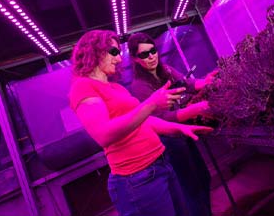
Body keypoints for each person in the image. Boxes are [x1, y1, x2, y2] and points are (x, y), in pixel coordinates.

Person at [69, 30, 213, 216]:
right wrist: (152, 103)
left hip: (160, 164)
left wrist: (178, 128)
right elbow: (103, 134)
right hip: (138, 178)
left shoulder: (117, 88)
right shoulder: (83, 86)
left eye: (119, 53)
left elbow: (143, 122)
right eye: (114, 52)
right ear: (95, 51)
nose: (119, 59)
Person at [128, 32, 217, 216]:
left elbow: (187, 84)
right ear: (136, 59)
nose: (151, 56)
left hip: (182, 133)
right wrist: (193, 110)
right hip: (169, 141)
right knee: (191, 188)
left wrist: (206, 82)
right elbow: (161, 118)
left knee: (203, 177)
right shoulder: (139, 86)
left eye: (152, 51)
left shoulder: (165, 70)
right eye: (144, 54)